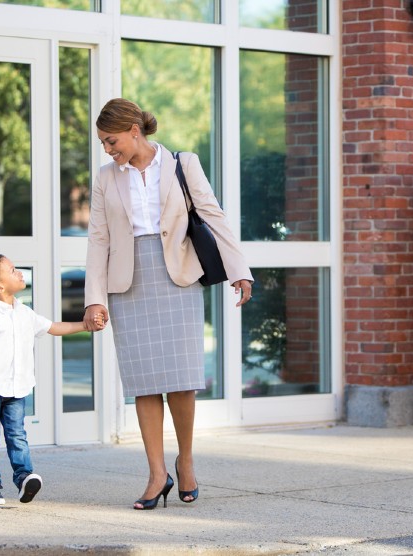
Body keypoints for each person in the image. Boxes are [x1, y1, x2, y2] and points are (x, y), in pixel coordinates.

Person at [84, 98, 253, 510]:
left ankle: (187, 460)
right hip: (130, 280)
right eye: (104, 144)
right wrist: (94, 300)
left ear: (133, 130)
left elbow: (213, 215)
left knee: (182, 378)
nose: (108, 150)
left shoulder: (182, 163)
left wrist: (240, 270)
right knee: (144, 382)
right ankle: (157, 473)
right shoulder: (107, 178)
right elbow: (98, 240)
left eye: (111, 141)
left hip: (177, 274)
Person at [0, 254, 104, 505]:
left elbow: (53, 327)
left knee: (17, 435)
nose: (19, 273)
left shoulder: (24, 313)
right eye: (12, 270)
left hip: (18, 389)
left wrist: (86, 326)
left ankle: (24, 478)